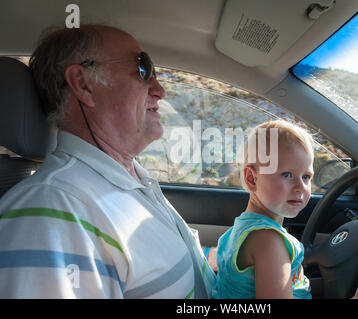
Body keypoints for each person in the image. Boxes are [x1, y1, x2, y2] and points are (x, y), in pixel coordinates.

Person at [0, 25, 215, 298]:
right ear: (83, 84)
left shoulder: (132, 178)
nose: (160, 90)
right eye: (143, 69)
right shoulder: (53, 215)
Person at [212, 120, 358, 299]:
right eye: (287, 174)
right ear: (252, 179)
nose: (300, 187)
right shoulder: (268, 241)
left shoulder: (240, 230)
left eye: (306, 177)